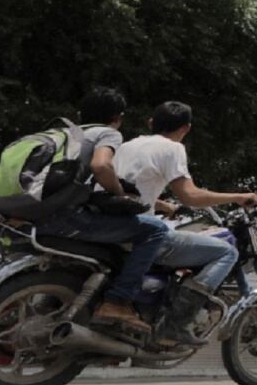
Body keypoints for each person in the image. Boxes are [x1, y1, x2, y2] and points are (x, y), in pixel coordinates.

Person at [113, 101, 257, 345]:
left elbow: (127, 190)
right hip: (140, 232)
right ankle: (176, 323)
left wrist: (164, 206)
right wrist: (238, 197)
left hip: (115, 224)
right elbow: (190, 196)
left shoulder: (128, 145)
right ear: (186, 129)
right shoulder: (173, 149)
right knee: (227, 252)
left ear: (151, 123)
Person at [35, 87, 169, 333]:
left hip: (34, 217)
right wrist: (120, 194)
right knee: (156, 231)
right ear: (118, 118)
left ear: (79, 114)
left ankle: (54, 299)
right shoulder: (108, 134)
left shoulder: (60, 133)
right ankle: (116, 302)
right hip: (67, 218)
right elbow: (101, 165)